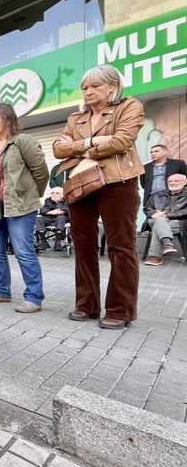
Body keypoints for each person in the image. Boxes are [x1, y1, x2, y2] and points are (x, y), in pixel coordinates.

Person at [53, 64, 144, 329]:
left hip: (118, 182)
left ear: (113, 85)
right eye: (84, 87)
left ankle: (120, 309)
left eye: (95, 86)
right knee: (83, 246)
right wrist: (91, 143)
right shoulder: (75, 118)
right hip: (80, 183)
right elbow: (58, 149)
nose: (88, 91)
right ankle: (87, 305)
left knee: (121, 247)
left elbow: (122, 141)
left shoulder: (129, 106)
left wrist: (78, 148)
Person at [0, 102, 49, 313]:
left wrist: (29, 194)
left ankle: (34, 296)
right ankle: (1, 290)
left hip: (21, 205)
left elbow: (41, 172)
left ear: (8, 120)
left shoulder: (23, 141)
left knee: (23, 251)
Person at [143, 173, 187, 266]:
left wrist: (167, 215)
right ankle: (168, 244)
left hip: (178, 222)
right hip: (154, 220)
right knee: (160, 221)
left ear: (185, 182)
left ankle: (155, 257)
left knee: (159, 225)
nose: (173, 183)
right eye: (170, 181)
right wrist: (155, 213)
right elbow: (147, 209)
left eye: (176, 181)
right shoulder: (157, 194)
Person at [140, 144, 187, 210]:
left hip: (174, 197)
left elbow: (185, 178)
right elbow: (144, 184)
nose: (153, 154)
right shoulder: (145, 167)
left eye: (156, 151)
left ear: (165, 152)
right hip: (152, 198)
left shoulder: (178, 164)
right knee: (153, 215)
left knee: (174, 215)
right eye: (151, 152)